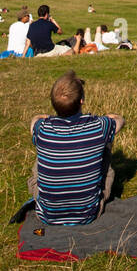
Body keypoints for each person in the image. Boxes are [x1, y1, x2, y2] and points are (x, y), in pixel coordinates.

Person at [28, 70, 123, 225]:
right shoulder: (99, 126)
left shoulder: (42, 128)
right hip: (88, 214)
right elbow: (119, 120)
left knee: (40, 157)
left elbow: (34, 121)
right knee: (106, 144)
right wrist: (107, 117)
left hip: (47, 215)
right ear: (81, 100)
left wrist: (46, 117)